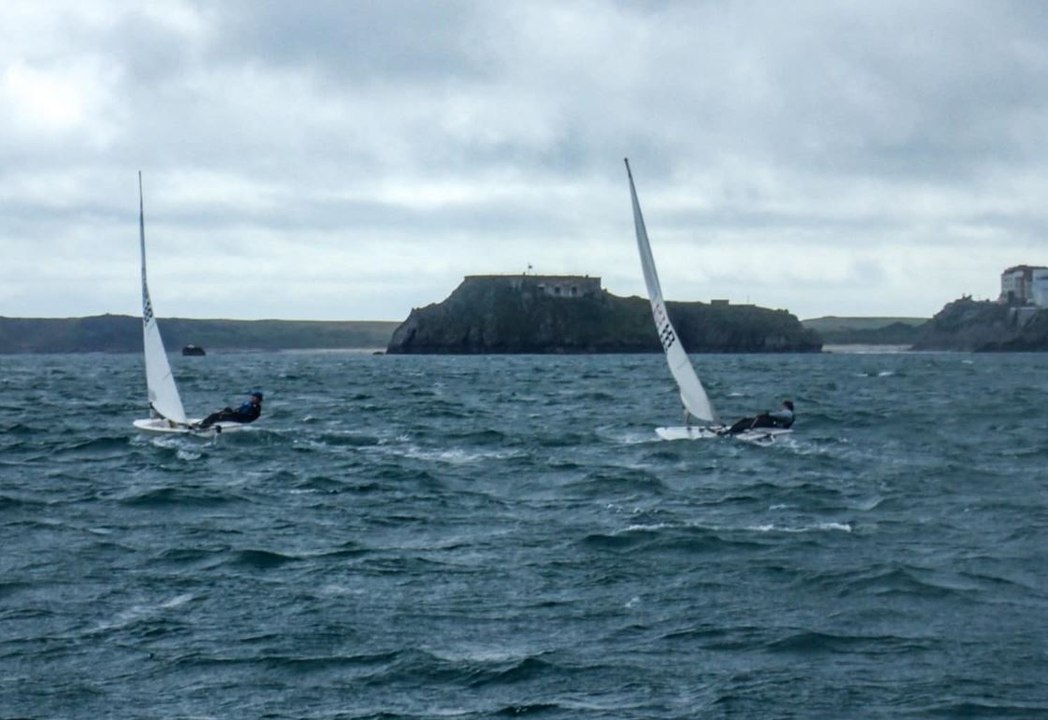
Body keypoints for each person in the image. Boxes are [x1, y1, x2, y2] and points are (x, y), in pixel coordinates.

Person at [194, 390, 264, 430]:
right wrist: (231, 411)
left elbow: (246, 415)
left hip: (239, 419)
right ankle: (204, 423)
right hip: (237, 415)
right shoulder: (248, 403)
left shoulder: (256, 407)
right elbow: (239, 409)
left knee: (215, 416)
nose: (252, 398)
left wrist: (232, 413)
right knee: (225, 410)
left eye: (254, 397)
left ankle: (202, 427)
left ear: (258, 399)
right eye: (252, 396)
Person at [722, 400, 794, 435]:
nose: (780, 407)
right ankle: (733, 429)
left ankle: (730, 431)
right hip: (773, 425)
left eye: (782, 406)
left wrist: (767, 414)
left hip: (773, 425)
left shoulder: (788, 412)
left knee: (748, 422)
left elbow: (783, 415)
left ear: (785, 406)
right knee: (746, 420)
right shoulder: (787, 412)